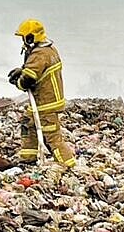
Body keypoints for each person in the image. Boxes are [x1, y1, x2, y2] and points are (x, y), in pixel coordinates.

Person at [7, 19, 76, 168]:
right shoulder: (49, 50)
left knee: (52, 137)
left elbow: (28, 80)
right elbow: (36, 70)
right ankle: (28, 159)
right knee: (28, 124)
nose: (23, 42)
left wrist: (17, 82)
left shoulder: (39, 54)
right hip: (44, 102)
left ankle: (68, 165)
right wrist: (22, 70)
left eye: (24, 37)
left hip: (46, 104)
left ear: (31, 37)